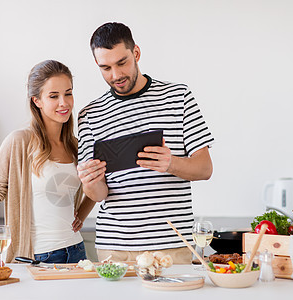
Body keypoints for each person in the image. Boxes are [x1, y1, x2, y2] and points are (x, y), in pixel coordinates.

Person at [77, 22, 214, 264]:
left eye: (122, 63)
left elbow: (204, 169)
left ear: (136, 53)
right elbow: (99, 194)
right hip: (115, 249)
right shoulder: (90, 114)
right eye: (105, 68)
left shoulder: (178, 97)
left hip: (171, 247)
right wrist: (90, 182)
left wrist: (170, 163)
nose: (116, 75)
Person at [0, 60, 95, 264]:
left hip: (77, 251)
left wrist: (82, 212)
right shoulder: (19, 142)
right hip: (37, 257)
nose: (64, 102)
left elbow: (96, 185)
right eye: (53, 96)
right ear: (37, 101)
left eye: (68, 93)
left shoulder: (76, 146)